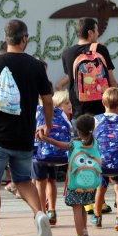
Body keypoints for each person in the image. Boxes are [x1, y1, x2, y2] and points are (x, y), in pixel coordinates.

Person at [0, 19, 53, 236]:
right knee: (23, 180)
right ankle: (39, 213)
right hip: (24, 136)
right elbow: (47, 101)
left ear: (7, 39)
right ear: (24, 38)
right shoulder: (37, 66)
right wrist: (46, 125)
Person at [62, 17, 116, 215]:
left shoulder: (67, 54)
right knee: (99, 156)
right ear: (91, 33)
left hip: (78, 112)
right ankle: (99, 202)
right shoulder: (100, 49)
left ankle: (86, 201)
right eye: (96, 30)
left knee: (81, 157)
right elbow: (110, 79)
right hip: (101, 112)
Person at [39, 114, 98, 236]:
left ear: (78, 130)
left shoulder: (74, 144)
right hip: (90, 183)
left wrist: (45, 138)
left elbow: (59, 144)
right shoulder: (95, 143)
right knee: (83, 205)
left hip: (76, 182)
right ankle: (84, 230)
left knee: (76, 208)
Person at [90, 87, 118, 232]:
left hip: (102, 162)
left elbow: (91, 139)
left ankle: (97, 216)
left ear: (103, 102)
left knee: (100, 189)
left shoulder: (96, 119)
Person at [32, 90, 73, 226]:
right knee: (51, 181)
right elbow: (71, 130)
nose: (70, 104)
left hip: (39, 152)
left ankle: (42, 213)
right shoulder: (60, 113)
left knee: (40, 183)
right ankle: (52, 210)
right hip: (56, 154)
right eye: (67, 102)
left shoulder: (36, 110)